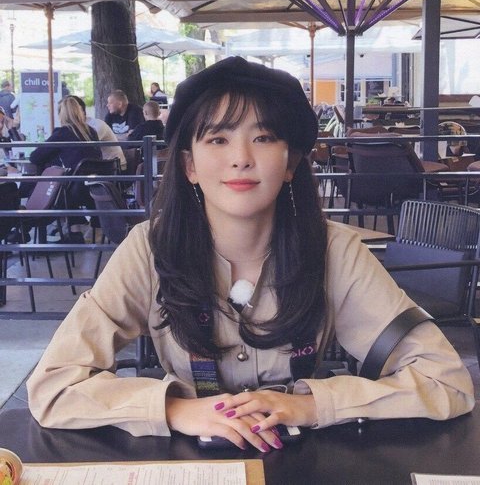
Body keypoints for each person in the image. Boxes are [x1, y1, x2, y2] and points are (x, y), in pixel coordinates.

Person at [27, 57, 474, 452]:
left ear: (290, 163)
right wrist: (178, 410)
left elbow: (446, 381)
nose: (241, 158)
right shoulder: (149, 249)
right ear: (189, 165)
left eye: (263, 137)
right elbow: (53, 385)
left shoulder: (334, 250)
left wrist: (312, 404)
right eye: (218, 140)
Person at [29, 96, 102, 231]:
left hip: (74, 189)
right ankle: (76, 227)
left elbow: (35, 157)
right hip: (97, 184)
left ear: (61, 114)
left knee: (51, 187)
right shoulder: (91, 131)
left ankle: (29, 223)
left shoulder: (62, 133)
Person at [71, 95, 127, 171]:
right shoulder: (74, 128)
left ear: (80, 110)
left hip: (113, 167)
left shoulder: (96, 125)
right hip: (99, 166)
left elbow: (87, 148)